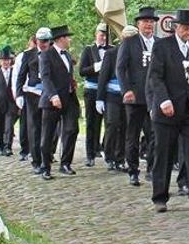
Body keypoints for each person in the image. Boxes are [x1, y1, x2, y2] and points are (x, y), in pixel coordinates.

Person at [146, 9, 189, 212]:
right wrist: (163, 100)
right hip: (167, 109)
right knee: (164, 152)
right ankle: (160, 198)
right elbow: (155, 77)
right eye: (185, 28)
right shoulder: (162, 47)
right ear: (176, 27)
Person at [116, 6, 159, 186]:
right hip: (134, 96)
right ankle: (133, 170)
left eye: (151, 22)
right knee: (132, 135)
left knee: (154, 135)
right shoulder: (130, 42)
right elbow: (120, 68)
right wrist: (126, 90)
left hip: (155, 97)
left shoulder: (160, 43)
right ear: (138, 24)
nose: (148, 25)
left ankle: (152, 169)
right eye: (145, 22)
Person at [39, 25, 81, 179]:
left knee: (72, 130)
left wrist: (72, 83)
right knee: (48, 134)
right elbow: (45, 77)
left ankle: (65, 163)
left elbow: (65, 74)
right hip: (52, 100)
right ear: (60, 39)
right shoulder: (46, 55)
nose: (70, 40)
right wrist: (53, 95)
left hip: (69, 99)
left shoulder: (68, 55)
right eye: (67, 37)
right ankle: (45, 167)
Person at [17, 29, 50, 173]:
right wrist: (18, 94)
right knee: (35, 127)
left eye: (46, 41)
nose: (43, 44)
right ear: (36, 41)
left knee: (48, 128)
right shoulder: (28, 55)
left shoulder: (52, 53)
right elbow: (21, 75)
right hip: (32, 94)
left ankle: (46, 157)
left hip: (49, 93)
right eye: (41, 41)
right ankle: (36, 160)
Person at [98, 27, 131, 170]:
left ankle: (120, 158)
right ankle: (109, 154)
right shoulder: (111, 54)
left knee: (125, 126)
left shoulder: (138, 54)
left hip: (129, 96)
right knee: (112, 124)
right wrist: (99, 98)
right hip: (112, 94)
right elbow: (103, 77)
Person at [79, 23, 109, 166]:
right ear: (96, 34)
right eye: (101, 34)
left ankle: (105, 149)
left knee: (109, 122)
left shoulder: (112, 50)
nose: (103, 37)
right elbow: (82, 71)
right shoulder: (88, 50)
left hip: (107, 91)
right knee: (91, 122)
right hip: (91, 90)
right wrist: (96, 67)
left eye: (105, 35)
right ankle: (90, 153)